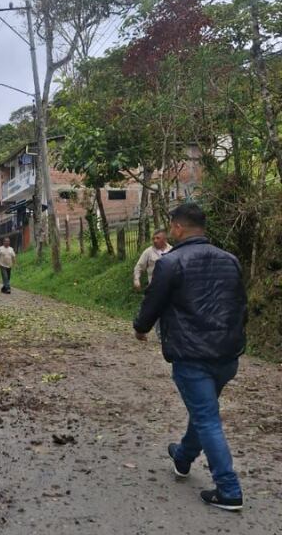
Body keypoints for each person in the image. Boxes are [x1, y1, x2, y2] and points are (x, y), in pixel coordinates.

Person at [133, 203, 247, 512]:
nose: (170, 231)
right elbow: (241, 306)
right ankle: (182, 457)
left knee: (207, 418)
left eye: (171, 227)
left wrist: (140, 328)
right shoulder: (231, 260)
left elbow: (152, 302)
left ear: (179, 229)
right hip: (226, 356)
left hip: (191, 355)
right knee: (204, 410)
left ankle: (228, 489)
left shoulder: (172, 263)